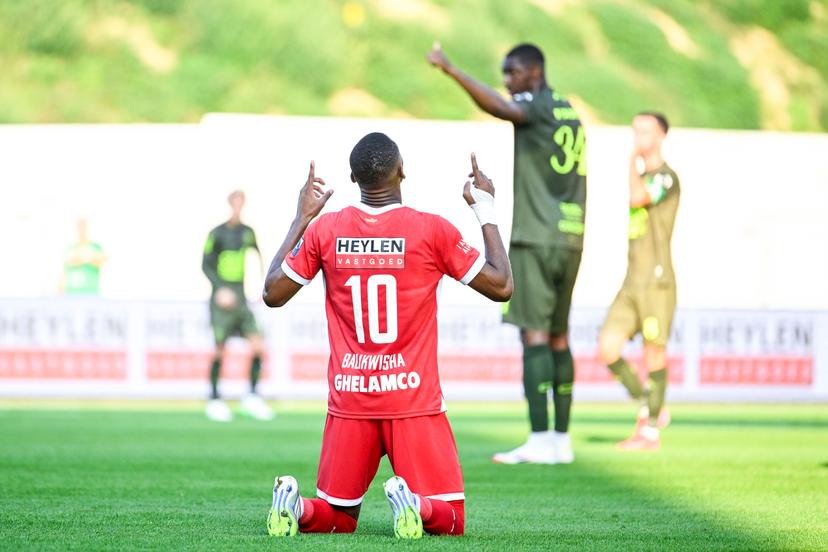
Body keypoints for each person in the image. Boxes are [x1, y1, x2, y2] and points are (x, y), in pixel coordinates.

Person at [261, 133, 512, 538]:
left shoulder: (326, 230)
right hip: (412, 399)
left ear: (353, 178)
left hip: (350, 399)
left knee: (337, 519)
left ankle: (296, 505)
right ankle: (415, 504)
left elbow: (272, 293)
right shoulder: (431, 231)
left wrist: (301, 218)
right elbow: (501, 285)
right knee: (450, 521)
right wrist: (486, 209)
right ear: (402, 171)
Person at [428, 42, 586, 464]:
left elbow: (501, 108)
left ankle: (539, 439)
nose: (508, 82)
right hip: (571, 236)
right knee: (558, 336)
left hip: (536, 236)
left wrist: (451, 69)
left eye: (513, 73)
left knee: (533, 335)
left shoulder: (533, 103)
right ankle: (561, 441)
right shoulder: (568, 109)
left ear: (535, 71)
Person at [598, 112, 680, 451]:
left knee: (653, 353)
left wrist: (632, 159)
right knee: (607, 348)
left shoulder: (666, 178)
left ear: (660, 135)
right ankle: (650, 405)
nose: (638, 138)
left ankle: (648, 431)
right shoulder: (643, 175)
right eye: (635, 132)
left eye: (644, 132)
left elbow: (637, 199)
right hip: (631, 282)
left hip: (656, 282)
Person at [202, 190, 273, 422]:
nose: (238, 207)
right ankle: (214, 399)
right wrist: (220, 288)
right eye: (235, 203)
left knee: (258, 346)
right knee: (219, 348)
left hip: (242, 299)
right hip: (221, 299)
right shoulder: (217, 233)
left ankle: (251, 397)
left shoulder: (248, 232)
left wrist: (263, 287)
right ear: (229, 204)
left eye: (241, 203)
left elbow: (259, 258)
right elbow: (205, 265)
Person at [61, 218, 106, 295]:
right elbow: (64, 270)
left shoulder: (95, 247)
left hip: (91, 292)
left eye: (83, 227)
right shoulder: (70, 248)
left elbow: (101, 260)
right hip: (71, 293)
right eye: (79, 228)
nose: (81, 231)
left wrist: (81, 259)